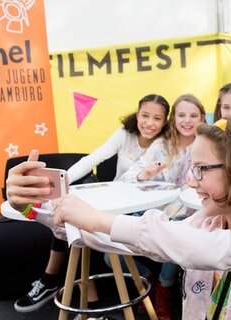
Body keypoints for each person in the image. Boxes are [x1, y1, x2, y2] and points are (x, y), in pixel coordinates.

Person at [6, 116, 231, 319]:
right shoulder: (209, 221)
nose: (191, 182)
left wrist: (97, 218)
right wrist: (36, 209)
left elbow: (208, 249)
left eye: (201, 169)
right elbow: (135, 242)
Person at [14, 94, 170, 313]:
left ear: (164, 122)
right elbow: (93, 159)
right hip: (117, 200)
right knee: (69, 220)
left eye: (157, 118)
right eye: (145, 115)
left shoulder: (166, 143)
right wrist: (61, 181)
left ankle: (60, 285)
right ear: (137, 115)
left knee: (81, 226)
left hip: (144, 208)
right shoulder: (125, 135)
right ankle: (81, 295)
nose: (149, 123)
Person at [118, 93, 206, 319]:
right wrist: (144, 174)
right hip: (155, 212)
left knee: (173, 240)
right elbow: (127, 177)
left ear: (202, 118)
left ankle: (164, 291)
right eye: (181, 115)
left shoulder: (206, 146)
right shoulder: (160, 145)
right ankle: (146, 280)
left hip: (188, 215)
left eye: (193, 115)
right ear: (173, 119)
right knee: (112, 253)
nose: (187, 120)